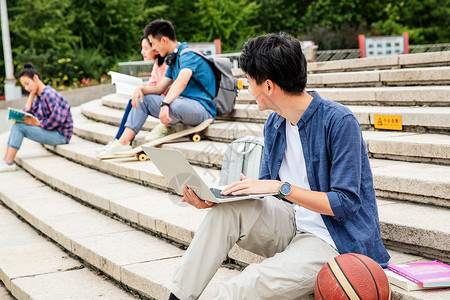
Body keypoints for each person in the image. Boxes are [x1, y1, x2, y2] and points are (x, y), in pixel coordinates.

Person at [167, 33, 390, 300]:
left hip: (334, 241)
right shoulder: (275, 125)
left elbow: (345, 203)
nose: (246, 89)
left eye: (248, 81)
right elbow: (265, 194)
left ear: (269, 86)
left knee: (243, 287)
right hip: (291, 222)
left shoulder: (339, 121)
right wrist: (217, 198)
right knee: (225, 214)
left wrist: (281, 187)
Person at [98, 19, 216, 157]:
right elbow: (160, 88)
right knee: (143, 99)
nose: (153, 48)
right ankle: (123, 143)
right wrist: (141, 90)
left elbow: (181, 82)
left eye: (153, 44)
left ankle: (166, 127)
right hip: (183, 105)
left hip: (202, 109)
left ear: (164, 40)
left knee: (174, 102)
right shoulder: (174, 59)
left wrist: (165, 103)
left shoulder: (188, 56)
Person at [96, 36, 170, 158]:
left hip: (168, 107)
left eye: (146, 48)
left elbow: (160, 90)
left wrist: (142, 91)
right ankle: (118, 141)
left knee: (138, 99)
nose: (142, 52)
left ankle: (121, 141)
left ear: (156, 48)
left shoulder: (167, 66)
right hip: (160, 104)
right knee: (134, 99)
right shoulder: (157, 66)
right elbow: (152, 87)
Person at [0, 63, 73, 172]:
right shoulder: (39, 96)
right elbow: (27, 113)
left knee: (20, 127)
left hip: (60, 135)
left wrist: (37, 123)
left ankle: (8, 162)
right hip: (52, 132)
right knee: (19, 124)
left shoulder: (49, 94)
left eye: (27, 83)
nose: (26, 87)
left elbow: (57, 119)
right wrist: (31, 95)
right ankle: (6, 160)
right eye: (24, 86)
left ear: (35, 78)